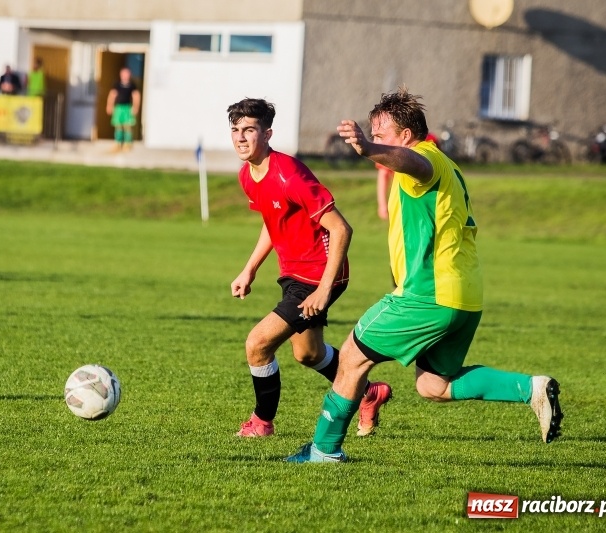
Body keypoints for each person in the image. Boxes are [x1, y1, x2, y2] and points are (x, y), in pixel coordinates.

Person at [286, 87, 563, 463]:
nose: (375, 139)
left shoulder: (423, 161)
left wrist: (368, 148)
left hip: (429, 294)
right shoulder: (447, 165)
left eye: (381, 134)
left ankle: (324, 450)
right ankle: (531, 389)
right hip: (463, 297)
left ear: (405, 136)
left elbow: (412, 162)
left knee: (351, 356)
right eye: (372, 134)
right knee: (434, 384)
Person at [227, 98, 389, 438]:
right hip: (293, 273)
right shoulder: (248, 175)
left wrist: (323, 289)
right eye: (236, 130)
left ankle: (261, 422)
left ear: (267, 134)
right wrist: (249, 269)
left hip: (319, 274)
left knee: (257, 344)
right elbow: (273, 220)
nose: (240, 137)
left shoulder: (290, 174)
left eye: (249, 130)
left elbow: (341, 229)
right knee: (308, 354)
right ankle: (369, 393)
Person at [105, 67, 140, 152]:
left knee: (127, 126)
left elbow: (136, 96)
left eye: (126, 74)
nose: (125, 76)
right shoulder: (117, 85)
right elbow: (112, 95)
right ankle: (118, 143)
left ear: (129, 75)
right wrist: (109, 106)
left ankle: (127, 143)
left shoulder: (132, 85)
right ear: (120, 75)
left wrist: (135, 107)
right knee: (118, 126)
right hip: (118, 108)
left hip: (127, 108)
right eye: (123, 74)